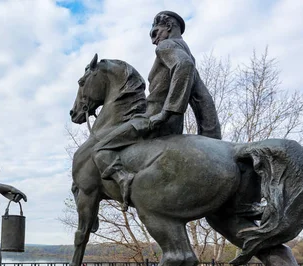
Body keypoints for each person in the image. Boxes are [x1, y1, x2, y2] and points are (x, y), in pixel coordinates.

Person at [93, 10, 221, 210]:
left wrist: (167, 112)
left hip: (153, 120)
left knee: (100, 148)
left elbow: (183, 66)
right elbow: (202, 98)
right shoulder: (186, 52)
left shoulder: (166, 46)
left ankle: (124, 179)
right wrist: (211, 138)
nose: (154, 41)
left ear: (168, 27)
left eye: (155, 33)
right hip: (172, 126)